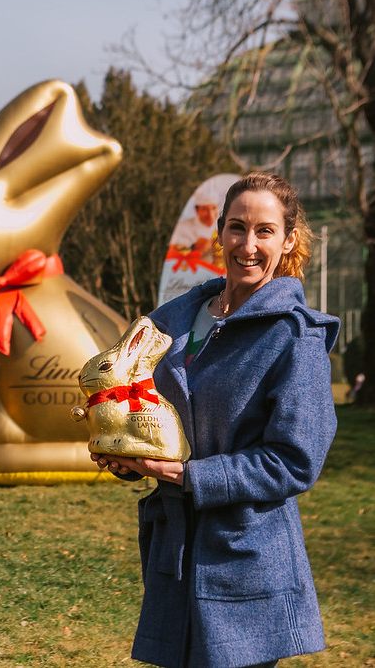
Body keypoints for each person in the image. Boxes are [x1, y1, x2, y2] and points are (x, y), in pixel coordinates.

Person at [92, 172, 338, 667]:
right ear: (219, 232)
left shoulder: (295, 338)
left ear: (288, 240)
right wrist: (124, 451)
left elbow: (294, 462)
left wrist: (192, 476)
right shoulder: (173, 320)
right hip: (175, 552)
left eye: (265, 231)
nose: (248, 245)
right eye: (237, 227)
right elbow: (148, 410)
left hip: (246, 557)